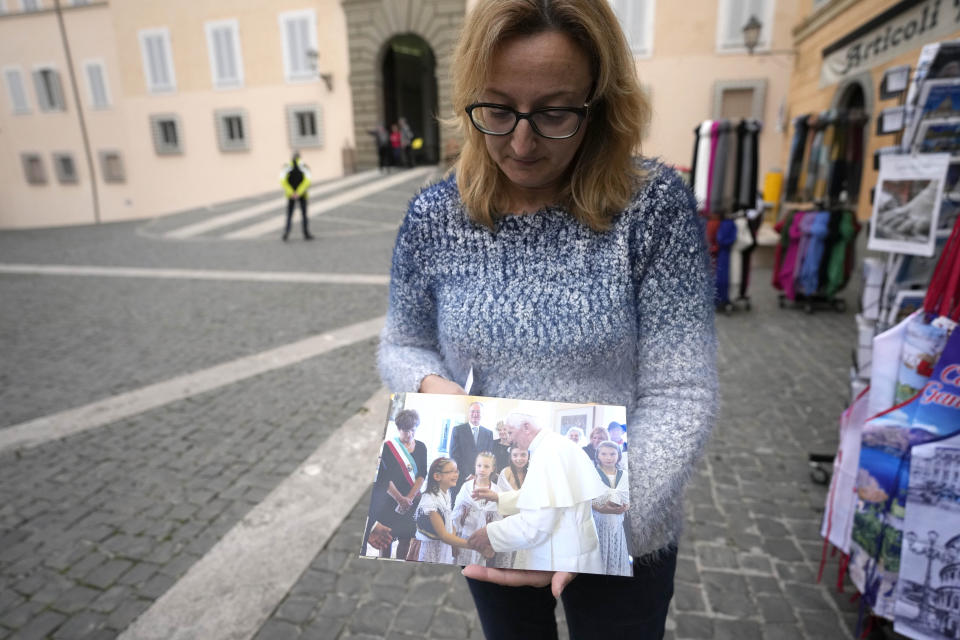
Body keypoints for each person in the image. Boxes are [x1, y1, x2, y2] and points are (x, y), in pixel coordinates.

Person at [378, 0, 717, 637]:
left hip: (626, 527)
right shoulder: (435, 216)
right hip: (495, 513)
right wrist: (429, 385)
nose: (521, 142)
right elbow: (402, 342)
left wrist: (590, 528)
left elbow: (681, 391)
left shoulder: (651, 209)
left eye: (555, 112)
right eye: (497, 109)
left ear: (601, 102)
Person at [467, 412, 606, 573]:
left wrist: (490, 533)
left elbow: (536, 525)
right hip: (573, 547)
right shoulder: (554, 443)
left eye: (511, 432)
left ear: (526, 427)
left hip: (564, 556)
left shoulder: (548, 453)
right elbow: (543, 495)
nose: (510, 440)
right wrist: (499, 497)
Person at [363, 409, 427, 560]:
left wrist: (408, 499)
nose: (410, 434)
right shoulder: (389, 447)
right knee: (386, 540)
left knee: (405, 539)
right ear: (399, 429)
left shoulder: (422, 447)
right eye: (406, 430)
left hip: (411, 502)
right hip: (390, 501)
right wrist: (400, 499)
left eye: (413, 429)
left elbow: (422, 474)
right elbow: (385, 478)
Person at [453, 452, 510, 567]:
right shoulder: (466, 487)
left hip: (483, 543)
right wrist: (453, 543)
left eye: (486, 466)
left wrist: (491, 546)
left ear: (493, 468)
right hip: (463, 539)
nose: (482, 470)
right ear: (475, 466)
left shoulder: (496, 491)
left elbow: (497, 523)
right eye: (479, 466)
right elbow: (455, 516)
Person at [414, 457, 475, 563]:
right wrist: (473, 546)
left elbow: (449, 521)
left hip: (444, 548)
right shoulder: (430, 501)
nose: (456, 475)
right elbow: (444, 535)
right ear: (437, 476)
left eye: (456, 471)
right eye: (451, 472)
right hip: (431, 551)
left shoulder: (446, 493)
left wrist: (454, 539)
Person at [591, 440, 631, 577]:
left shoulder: (624, 475)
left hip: (617, 523)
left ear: (618, 455)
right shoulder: (593, 474)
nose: (608, 457)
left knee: (615, 554)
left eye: (613, 454)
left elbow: (628, 496)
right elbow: (589, 500)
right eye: (604, 454)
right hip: (599, 522)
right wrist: (602, 508)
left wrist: (625, 507)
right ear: (598, 456)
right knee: (600, 555)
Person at [449, 402, 494, 506]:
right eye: (472, 411)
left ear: (482, 414)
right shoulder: (458, 430)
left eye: (478, 412)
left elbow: (489, 457)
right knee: (457, 507)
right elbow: (454, 456)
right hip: (460, 478)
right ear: (468, 413)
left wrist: (479, 475)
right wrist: (468, 475)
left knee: (476, 508)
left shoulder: (488, 433)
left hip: (480, 480)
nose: (475, 414)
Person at [279, 151, 313, 241]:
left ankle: (286, 232)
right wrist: (299, 192)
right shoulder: (304, 166)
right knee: (304, 214)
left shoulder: (286, 167)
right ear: (300, 157)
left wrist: (291, 192)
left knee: (289, 214)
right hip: (303, 195)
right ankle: (306, 233)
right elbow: (307, 180)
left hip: (291, 195)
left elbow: (282, 181)